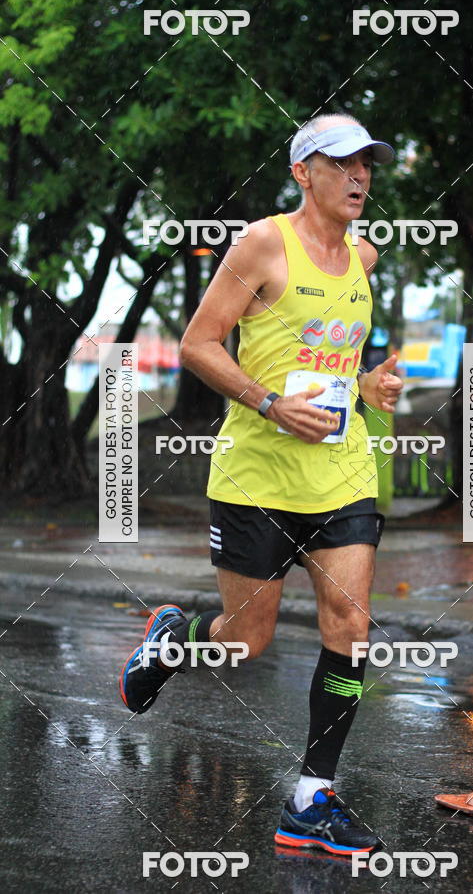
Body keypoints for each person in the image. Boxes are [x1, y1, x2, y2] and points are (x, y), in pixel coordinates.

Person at [119, 113, 402, 856]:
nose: (359, 177)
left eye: (367, 165)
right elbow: (198, 343)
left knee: (351, 627)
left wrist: (370, 386)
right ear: (303, 172)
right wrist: (270, 403)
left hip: (340, 474)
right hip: (256, 478)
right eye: (342, 163)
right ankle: (175, 640)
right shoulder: (262, 244)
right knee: (246, 642)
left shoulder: (365, 256)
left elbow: (338, 367)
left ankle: (312, 798)